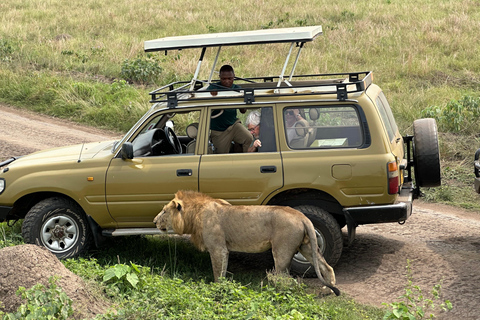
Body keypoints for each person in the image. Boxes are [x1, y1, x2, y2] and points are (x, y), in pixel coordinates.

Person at [207, 65, 253, 153]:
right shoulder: (213, 87)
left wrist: (241, 99)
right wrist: (212, 94)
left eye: (230, 78)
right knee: (221, 156)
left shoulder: (237, 89)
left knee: (248, 138)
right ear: (219, 78)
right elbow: (205, 95)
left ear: (234, 77)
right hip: (219, 130)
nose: (227, 81)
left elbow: (243, 111)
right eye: (223, 79)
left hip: (233, 125)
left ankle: (246, 161)